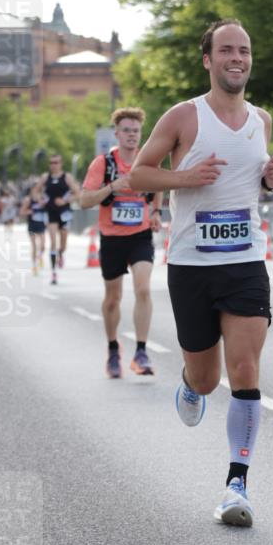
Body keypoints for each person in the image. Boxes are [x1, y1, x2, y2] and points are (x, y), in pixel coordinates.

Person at [129, 19, 273, 526]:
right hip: (192, 266)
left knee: (245, 370)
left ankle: (236, 486)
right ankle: (191, 386)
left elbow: (252, 186)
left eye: (244, 50)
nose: (236, 58)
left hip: (245, 262)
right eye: (226, 50)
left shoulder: (261, 120)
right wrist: (184, 177)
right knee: (207, 375)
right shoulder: (184, 116)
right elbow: (139, 173)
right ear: (208, 60)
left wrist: (271, 180)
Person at [81, 108, 164, 378]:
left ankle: (141, 352)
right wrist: (111, 188)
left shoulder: (147, 161)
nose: (131, 135)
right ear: (116, 134)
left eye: (136, 131)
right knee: (113, 299)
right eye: (126, 130)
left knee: (143, 289)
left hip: (140, 235)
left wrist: (155, 211)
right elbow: (84, 200)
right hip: (112, 238)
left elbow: (158, 185)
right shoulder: (103, 164)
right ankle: (113, 349)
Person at [40, 156, 80, 285]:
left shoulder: (66, 177)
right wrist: (41, 200)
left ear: (61, 164)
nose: (54, 165)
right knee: (52, 242)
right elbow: (34, 192)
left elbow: (78, 193)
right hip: (51, 212)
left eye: (56, 162)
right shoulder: (45, 178)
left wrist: (65, 200)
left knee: (63, 245)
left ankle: (61, 253)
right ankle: (53, 273)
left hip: (64, 212)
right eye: (51, 162)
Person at [19, 181, 49, 274]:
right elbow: (21, 212)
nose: (37, 189)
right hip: (32, 224)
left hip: (41, 224)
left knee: (43, 245)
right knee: (34, 246)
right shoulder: (28, 200)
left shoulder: (44, 198)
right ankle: (34, 265)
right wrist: (29, 212)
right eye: (35, 188)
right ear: (32, 189)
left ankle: (39, 257)